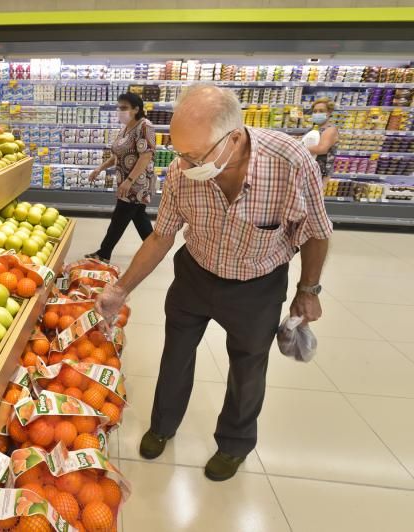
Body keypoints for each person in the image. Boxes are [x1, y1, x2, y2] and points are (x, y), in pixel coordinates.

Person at [95, 84, 333, 482]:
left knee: (248, 367)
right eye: (180, 153)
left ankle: (234, 444)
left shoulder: (290, 162)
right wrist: (120, 289)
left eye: (194, 155)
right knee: (175, 355)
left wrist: (307, 290)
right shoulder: (180, 173)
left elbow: (316, 230)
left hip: (257, 285)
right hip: (195, 274)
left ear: (235, 138)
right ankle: (162, 426)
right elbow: (161, 236)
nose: (184, 166)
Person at [85, 92, 156, 263]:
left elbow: (145, 156)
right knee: (139, 217)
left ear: (136, 109)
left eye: (124, 108)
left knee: (120, 217)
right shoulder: (125, 128)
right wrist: (100, 168)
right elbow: (117, 154)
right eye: (119, 107)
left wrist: (129, 181)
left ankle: (104, 253)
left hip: (137, 183)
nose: (120, 111)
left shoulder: (145, 126)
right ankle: (154, 250)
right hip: (125, 182)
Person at [306, 97, 339, 184]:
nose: (317, 113)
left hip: (321, 172)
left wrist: (299, 146)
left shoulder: (330, 130)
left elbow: (322, 149)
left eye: (321, 111)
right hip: (311, 169)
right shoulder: (314, 128)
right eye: (315, 111)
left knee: (314, 197)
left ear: (329, 112)